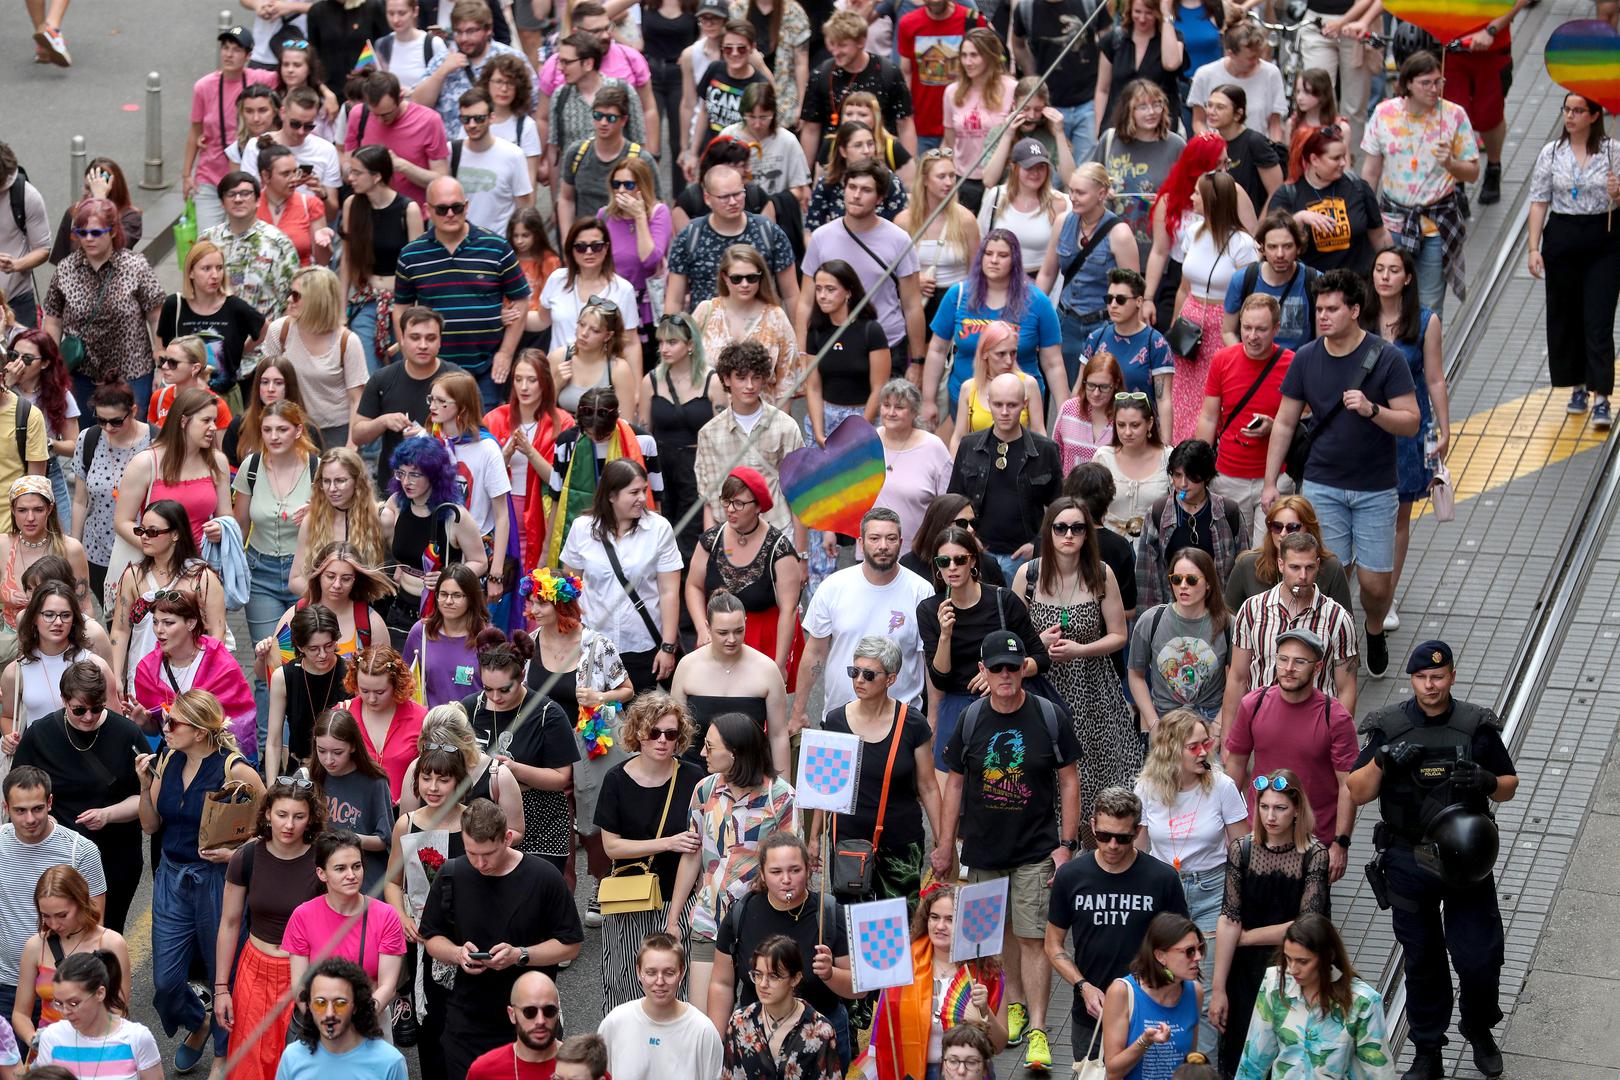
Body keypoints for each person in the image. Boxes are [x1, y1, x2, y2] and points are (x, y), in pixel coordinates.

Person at [1347, 640, 1517, 1080]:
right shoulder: (1389, 725)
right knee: (1422, 960)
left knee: (1480, 956)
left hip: (1466, 862)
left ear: (1452, 677)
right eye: (1423, 677)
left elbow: (1508, 785)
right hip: (1408, 859)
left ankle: (1478, 1029)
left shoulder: (1474, 725)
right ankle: (1428, 1051)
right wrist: (1384, 760)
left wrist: (1484, 778)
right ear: (1412, 680)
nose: (1431, 685)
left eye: (1438, 677)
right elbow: (1358, 791)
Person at [931, 628, 1080, 1071]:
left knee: (1034, 937)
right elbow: (954, 781)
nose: (1005, 675)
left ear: (1023, 670)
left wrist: (1067, 845)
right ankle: (1011, 1006)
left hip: (1036, 847)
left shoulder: (1049, 716)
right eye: (996, 668)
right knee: (993, 939)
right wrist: (945, 844)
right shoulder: (972, 719)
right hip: (982, 851)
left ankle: (1037, 1028)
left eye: (1013, 667)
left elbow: (1069, 779)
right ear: (983, 671)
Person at [1261, 268, 1421, 678]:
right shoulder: (1307, 358)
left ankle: (1373, 627)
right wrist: (1269, 483)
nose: (1324, 316)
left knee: (1374, 585)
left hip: (1374, 488)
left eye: (1333, 308)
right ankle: (1328, 645)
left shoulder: (1387, 359)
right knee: (1326, 573)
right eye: (1319, 308)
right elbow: (1284, 422)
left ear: (1354, 309)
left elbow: (1411, 421)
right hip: (1321, 484)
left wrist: (1372, 409)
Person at [134, 691, 263, 1074]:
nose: (165, 728)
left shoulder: (234, 770)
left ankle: (223, 1053)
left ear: (202, 730)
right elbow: (150, 824)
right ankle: (199, 1021)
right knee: (166, 980)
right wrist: (144, 785)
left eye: (173, 723)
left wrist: (235, 855)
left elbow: (272, 827)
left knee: (225, 973)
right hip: (173, 877)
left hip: (218, 881)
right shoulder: (169, 758)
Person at [419, 798, 586, 1077]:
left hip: (531, 1019)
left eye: (489, 853)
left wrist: (520, 955)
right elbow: (432, 937)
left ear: (508, 838)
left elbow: (570, 944)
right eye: (472, 853)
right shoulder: (451, 873)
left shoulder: (543, 877)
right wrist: (457, 953)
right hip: (467, 1021)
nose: (480, 863)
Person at [664, 712, 796, 1018]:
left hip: (762, 923)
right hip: (709, 919)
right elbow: (692, 854)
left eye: (710, 747)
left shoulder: (781, 799)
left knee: (761, 1020)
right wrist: (674, 918)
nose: (701, 753)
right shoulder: (705, 790)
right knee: (704, 1023)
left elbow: (792, 868)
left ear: (734, 753)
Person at [1014, 497, 1134, 829]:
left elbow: (1119, 635)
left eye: (1077, 528)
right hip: (1041, 686)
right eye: (1061, 527)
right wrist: (1039, 643)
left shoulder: (1100, 573)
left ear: (1087, 534)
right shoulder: (1029, 574)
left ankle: (1093, 850)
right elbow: (1013, 641)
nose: (1069, 535)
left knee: (1094, 770)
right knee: (1042, 770)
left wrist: (1080, 650)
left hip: (1092, 688)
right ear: (1048, 531)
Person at [1134, 709, 1248, 1047]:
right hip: (1165, 893)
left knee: (1207, 990)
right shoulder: (1146, 788)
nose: (1203, 753)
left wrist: (1238, 901)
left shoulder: (1222, 786)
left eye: (1206, 744)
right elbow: (1138, 852)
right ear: (1171, 751)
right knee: (1161, 983)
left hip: (1211, 890)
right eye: (1193, 747)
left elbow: (1242, 850)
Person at [1046, 786, 1189, 1057]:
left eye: (1122, 838)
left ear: (1137, 832)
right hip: (1091, 1015)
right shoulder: (1072, 876)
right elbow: (1053, 945)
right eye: (1103, 836)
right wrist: (1082, 986)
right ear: (1092, 826)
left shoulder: (1162, 879)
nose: (1112, 845)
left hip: (1149, 1012)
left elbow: (1182, 947)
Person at [1207, 769, 1329, 1074]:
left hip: (1293, 967)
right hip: (1245, 972)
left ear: (1298, 810)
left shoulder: (1314, 855)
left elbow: (1305, 925)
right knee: (1241, 1052)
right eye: (1264, 807)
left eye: (1280, 808)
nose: (1270, 816)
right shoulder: (1242, 850)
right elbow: (1228, 916)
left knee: (1290, 1054)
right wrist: (1218, 988)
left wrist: (1246, 938)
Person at [10, 664, 144, 932]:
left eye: (97, 708)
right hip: (55, 856)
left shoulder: (127, 734)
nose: (88, 717)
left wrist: (108, 814)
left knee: (102, 934)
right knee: (53, 933)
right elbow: (17, 787)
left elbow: (147, 799)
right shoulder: (40, 734)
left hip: (114, 855)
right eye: (79, 710)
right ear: (64, 701)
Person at [592, 692, 705, 1009]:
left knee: (679, 991)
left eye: (670, 733)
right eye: (653, 732)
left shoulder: (694, 778)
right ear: (637, 734)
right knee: (625, 990)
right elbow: (611, 846)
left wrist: (676, 914)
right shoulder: (616, 780)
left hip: (677, 899)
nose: (662, 740)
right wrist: (668, 842)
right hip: (629, 901)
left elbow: (700, 847)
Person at [811, 635, 942, 900]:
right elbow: (824, 788)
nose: (859, 680)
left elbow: (928, 786)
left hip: (900, 842)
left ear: (890, 679)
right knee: (850, 924)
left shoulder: (912, 724)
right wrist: (814, 837)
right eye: (854, 672)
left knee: (899, 926)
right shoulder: (836, 721)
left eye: (869, 674)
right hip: (849, 843)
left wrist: (943, 841)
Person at [711, 834, 855, 1067]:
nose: (786, 879)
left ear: (808, 870)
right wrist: (718, 1041)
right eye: (776, 872)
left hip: (821, 1036)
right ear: (763, 874)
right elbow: (722, 983)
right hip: (755, 1037)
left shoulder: (830, 913)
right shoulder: (742, 913)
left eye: (795, 870)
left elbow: (858, 990)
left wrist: (830, 974)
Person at [214, 777, 324, 1080]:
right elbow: (229, 923)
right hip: (254, 972)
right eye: (281, 814)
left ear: (311, 818)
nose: (289, 824)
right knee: (249, 1066)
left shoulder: (322, 860)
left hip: (303, 971)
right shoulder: (246, 856)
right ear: (267, 814)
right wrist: (221, 988)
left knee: (299, 1065)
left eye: (299, 816)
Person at [1362, 247, 1448, 629]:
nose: (1384, 276)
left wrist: (1444, 429)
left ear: (1408, 278)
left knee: (1399, 517)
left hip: (1406, 432)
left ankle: (1388, 594)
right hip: (1362, 428)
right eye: (1379, 269)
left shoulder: (1425, 321)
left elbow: (1434, 378)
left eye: (1393, 270)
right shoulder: (1358, 316)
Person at [790, 507, 934, 731]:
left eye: (891, 538)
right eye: (875, 538)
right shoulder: (833, 587)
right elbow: (815, 652)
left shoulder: (921, 591)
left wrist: (932, 721)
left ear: (901, 541)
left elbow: (928, 662)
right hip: (839, 721)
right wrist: (798, 712)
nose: (883, 546)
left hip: (900, 724)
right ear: (860, 542)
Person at [918, 525, 1048, 771]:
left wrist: (1002, 674)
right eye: (944, 561)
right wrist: (945, 634)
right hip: (956, 707)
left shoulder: (1003, 600)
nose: (952, 567)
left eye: (960, 559)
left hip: (1002, 704)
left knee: (1002, 786)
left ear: (973, 561)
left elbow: (1041, 658)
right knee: (952, 795)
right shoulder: (929, 610)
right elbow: (940, 679)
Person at [393, 175, 530, 407]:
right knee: (434, 439)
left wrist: (506, 353)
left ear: (466, 206)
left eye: (456, 207)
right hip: (433, 369)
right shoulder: (411, 255)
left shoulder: (496, 247)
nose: (450, 214)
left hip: (487, 367)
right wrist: (409, 352)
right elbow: (401, 309)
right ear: (428, 210)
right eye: (442, 209)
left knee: (484, 436)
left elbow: (521, 299)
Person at [1359, 52, 1478, 317]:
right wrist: (1370, 219)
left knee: (1430, 304)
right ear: (1408, 84)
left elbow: (1472, 172)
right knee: (1388, 298)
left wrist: (1451, 164)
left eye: (1439, 82)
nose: (1434, 89)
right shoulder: (1384, 113)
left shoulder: (1454, 115)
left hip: (1436, 223)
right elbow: (1371, 171)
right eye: (1426, 83)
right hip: (1392, 222)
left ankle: (1426, 356)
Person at [1528, 93, 1620, 429]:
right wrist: (1533, 247)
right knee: (1566, 316)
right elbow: (1539, 201)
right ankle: (1578, 385)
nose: (1570, 116)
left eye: (1578, 111)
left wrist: (1617, 192)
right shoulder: (1551, 153)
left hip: (1604, 240)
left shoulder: (1613, 151)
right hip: (1563, 237)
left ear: (1594, 116)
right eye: (1566, 109)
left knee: (1598, 319)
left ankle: (1602, 397)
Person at [856, 882, 1008, 1080]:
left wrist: (986, 1011)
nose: (940, 926)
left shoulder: (987, 972)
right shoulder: (902, 963)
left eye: (950, 919)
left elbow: (999, 1045)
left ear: (965, 922)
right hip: (910, 1073)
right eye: (934, 917)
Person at [232, 401, 321, 719]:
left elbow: (336, 521)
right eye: (267, 430)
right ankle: (267, 751)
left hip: (307, 574)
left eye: (282, 429)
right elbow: (240, 522)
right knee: (270, 658)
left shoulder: (316, 467)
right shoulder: (252, 467)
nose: (273, 436)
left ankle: (305, 741)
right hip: (262, 573)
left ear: (298, 430)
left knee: (309, 658)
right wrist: (232, 567)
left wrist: (317, 513)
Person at [560, 459, 681, 691]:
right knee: (594, 722)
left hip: (642, 646)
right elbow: (570, 589)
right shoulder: (582, 529)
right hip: (592, 646)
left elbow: (669, 592)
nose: (642, 499)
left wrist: (667, 647)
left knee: (639, 722)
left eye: (644, 490)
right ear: (611, 495)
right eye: (634, 492)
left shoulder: (659, 529)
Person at [0, 766, 107, 1026]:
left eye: (37, 808)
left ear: (50, 802)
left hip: (61, 986)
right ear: (6, 807)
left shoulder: (80, 852)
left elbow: (96, 923)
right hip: (5, 983)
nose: (29, 819)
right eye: (20, 811)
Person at [41, 199, 164, 419]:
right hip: (82, 374)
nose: (88, 239)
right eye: (82, 232)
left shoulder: (135, 265)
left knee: (131, 438)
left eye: (96, 232)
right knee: (88, 440)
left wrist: (161, 360)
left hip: (132, 371)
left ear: (113, 231)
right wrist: (53, 363)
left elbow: (157, 316)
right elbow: (53, 319)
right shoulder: (66, 268)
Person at [1221, 531, 1358, 728]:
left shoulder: (1338, 618)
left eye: (1309, 567)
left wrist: (1338, 738)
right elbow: (1237, 678)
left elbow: (1346, 688)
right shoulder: (1252, 609)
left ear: (1318, 565)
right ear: (1281, 565)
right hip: (1260, 726)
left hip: (1314, 729)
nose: (1303, 576)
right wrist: (1228, 735)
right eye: (1295, 567)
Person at [799, 159, 926, 370]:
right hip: (834, 344)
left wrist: (918, 362)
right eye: (852, 187)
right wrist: (802, 352)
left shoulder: (900, 240)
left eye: (866, 190)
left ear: (880, 198)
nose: (856, 195)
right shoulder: (821, 238)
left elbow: (912, 305)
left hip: (887, 345)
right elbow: (805, 301)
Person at [1233, 915, 1394, 1080]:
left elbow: (1379, 1071)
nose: (1293, 969)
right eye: (1288, 959)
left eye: (1303, 961)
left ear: (1329, 956)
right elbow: (1253, 1059)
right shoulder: (1274, 983)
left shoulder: (1363, 1002)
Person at [1197, 295, 1294, 545]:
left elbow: (1301, 417)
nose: (1252, 336)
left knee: (1270, 556)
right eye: (1247, 327)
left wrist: (1273, 426)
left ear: (1276, 328)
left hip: (1275, 477)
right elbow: (1209, 416)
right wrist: (1199, 468)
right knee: (1231, 555)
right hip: (1228, 476)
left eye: (1261, 329)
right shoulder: (1222, 359)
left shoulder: (1291, 363)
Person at [107, 499, 226, 700]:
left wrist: (208, 679)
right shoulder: (133, 576)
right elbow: (120, 629)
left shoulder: (202, 578)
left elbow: (217, 631)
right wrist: (115, 676)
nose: (144, 537)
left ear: (176, 534)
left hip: (191, 684)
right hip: (142, 683)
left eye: (152, 532)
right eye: (141, 530)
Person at [947, 372, 1062, 580]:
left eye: (1012, 405)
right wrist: (969, 539)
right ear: (989, 403)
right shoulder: (969, 446)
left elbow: (1060, 508)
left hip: (1025, 556)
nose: (1004, 412)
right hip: (978, 552)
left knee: (1020, 612)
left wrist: (1037, 545)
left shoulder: (1045, 450)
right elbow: (953, 502)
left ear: (1024, 404)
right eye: (998, 404)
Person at [283, 829, 408, 1022]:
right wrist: (326, 1023)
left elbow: (387, 987)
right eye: (340, 868)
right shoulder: (303, 916)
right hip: (320, 1022)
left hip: (370, 1018)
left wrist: (355, 1022)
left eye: (356, 866)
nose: (351, 875)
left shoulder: (386, 915)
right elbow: (300, 985)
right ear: (322, 873)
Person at [12, 864, 130, 1056]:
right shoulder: (35, 946)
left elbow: (118, 1009)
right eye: (46, 916)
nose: (54, 925)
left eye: (62, 915)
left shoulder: (111, 943)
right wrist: (34, 1039)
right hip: (49, 1053)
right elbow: (20, 1014)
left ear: (81, 902)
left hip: (97, 1052)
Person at [692, 341, 804, 542]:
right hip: (728, 535)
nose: (750, 385)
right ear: (727, 379)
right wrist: (710, 547)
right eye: (741, 378)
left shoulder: (786, 427)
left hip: (777, 530)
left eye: (756, 377)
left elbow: (800, 493)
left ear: (764, 379)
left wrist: (802, 553)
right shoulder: (709, 434)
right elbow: (708, 499)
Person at [129, 590, 258, 761]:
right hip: (173, 760)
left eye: (168, 623)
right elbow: (157, 731)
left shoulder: (220, 663)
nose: (159, 630)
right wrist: (144, 723)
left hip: (217, 759)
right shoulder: (146, 670)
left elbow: (239, 722)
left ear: (190, 623)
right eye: (155, 622)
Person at [379, 437, 488, 638]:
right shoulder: (397, 503)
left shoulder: (454, 515)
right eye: (401, 473)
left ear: (434, 476)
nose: (405, 481)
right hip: (400, 608)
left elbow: (480, 562)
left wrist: (449, 576)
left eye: (414, 475)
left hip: (440, 612)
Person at [1041, 164, 1140, 386]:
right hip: (1066, 321)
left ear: (1101, 194)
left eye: (1080, 193)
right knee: (1063, 390)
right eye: (1071, 190)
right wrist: (1034, 313)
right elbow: (1047, 273)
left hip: (1103, 323)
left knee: (1099, 388)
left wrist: (1132, 336)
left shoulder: (1120, 234)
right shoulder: (1062, 222)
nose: (1073, 197)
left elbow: (1132, 291)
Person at [672, 591, 790, 772]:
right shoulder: (688, 666)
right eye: (722, 633)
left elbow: (778, 735)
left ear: (746, 623)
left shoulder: (767, 669)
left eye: (739, 631)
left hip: (751, 773)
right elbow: (676, 732)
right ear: (708, 627)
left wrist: (783, 790)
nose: (732, 640)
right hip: (696, 772)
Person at [545, 385, 662, 568]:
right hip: (584, 534)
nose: (596, 439)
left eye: (604, 435)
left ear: (617, 418)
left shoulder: (643, 442)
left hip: (632, 534)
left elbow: (655, 497)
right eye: (589, 434)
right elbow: (556, 497)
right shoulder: (567, 442)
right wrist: (546, 551)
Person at [639, 314, 725, 558]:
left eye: (672, 342)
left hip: (696, 464)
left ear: (690, 345)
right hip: (660, 465)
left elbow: (721, 433)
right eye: (661, 342)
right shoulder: (651, 381)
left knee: (692, 532)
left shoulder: (713, 381)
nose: (664, 348)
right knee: (661, 527)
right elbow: (643, 433)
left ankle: (689, 588)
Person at [426, 370, 516, 597]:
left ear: (462, 407)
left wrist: (496, 572)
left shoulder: (487, 449)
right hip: (435, 547)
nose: (432, 406)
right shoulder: (427, 442)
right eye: (431, 399)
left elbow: (502, 515)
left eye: (441, 401)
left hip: (474, 554)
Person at [354, 307, 465, 490]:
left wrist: (429, 436)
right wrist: (383, 421)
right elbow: (358, 435)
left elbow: (476, 432)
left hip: (443, 487)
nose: (423, 345)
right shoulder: (382, 379)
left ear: (440, 342)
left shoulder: (458, 380)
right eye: (415, 337)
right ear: (402, 339)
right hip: (394, 489)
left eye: (430, 338)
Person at [664, 165, 799, 314]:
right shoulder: (689, 236)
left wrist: (798, 336)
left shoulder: (768, 232)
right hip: (707, 331)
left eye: (738, 194)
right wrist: (670, 336)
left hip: (760, 331)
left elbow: (791, 295)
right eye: (724, 197)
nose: (733, 202)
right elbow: (674, 300)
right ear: (707, 198)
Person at [183, 27, 281, 231]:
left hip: (248, 179)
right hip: (210, 177)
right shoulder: (204, 87)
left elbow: (297, 75)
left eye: (236, 50)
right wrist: (186, 175)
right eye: (225, 48)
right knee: (208, 243)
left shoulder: (262, 79)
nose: (229, 54)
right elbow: (194, 131)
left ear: (248, 55)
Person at [257, 267, 369, 446]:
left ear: (317, 301)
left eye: (296, 295)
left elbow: (357, 399)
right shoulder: (279, 331)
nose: (288, 300)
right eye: (289, 292)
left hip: (334, 432)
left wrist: (351, 446)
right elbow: (265, 383)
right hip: (288, 427)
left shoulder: (347, 341)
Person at [340, 146, 427, 371]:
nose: (351, 178)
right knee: (366, 370)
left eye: (357, 173)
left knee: (404, 368)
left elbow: (416, 268)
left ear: (377, 176)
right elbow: (347, 260)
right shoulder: (353, 205)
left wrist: (416, 313)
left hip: (400, 302)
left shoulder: (408, 209)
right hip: (366, 300)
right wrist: (341, 312)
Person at [484, 349, 570, 572]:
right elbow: (483, 476)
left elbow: (559, 481)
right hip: (502, 507)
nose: (524, 387)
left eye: (532, 380)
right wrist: (505, 455)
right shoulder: (494, 419)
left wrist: (530, 452)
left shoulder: (563, 423)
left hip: (541, 513)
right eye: (518, 379)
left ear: (545, 383)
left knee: (533, 578)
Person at [196, 172, 300, 356]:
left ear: (258, 200)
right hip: (215, 351)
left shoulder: (278, 242)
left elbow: (292, 299)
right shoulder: (207, 239)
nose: (238, 199)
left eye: (245, 194)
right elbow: (194, 292)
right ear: (222, 202)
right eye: (231, 194)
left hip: (264, 353)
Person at [798, 10, 917, 168]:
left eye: (842, 45)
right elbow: (811, 129)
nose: (835, 51)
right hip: (835, 164)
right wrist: (805, 176)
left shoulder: (888, 72)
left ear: (861, 41)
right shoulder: (820, 75)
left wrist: (909, 166)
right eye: (832, 44)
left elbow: (904, 124)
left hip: (880, 164)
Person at [1129, 547, 1231, 729]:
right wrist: (1153, 723)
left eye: (1191, 580)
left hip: (1210, 720)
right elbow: (1136, 674)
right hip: (1166, 721)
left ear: (1208, 583)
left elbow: (1238, 680)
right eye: (1176, 580)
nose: (1183, 586)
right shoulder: (1150, 620)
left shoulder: (1227, 624)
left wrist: (1218, 727)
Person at [1264, 127, 1384, 281]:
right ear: (1314, 159)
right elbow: (1273, 242)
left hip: (1357, 286)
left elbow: (1379, 237)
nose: (1343, 163)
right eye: (1335, 158)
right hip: (1311, 287)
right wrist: (1299, 218)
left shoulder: (1358, 188)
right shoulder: (1288, 194)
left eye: (1344, 156)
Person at [1133, 439, 1242, 607]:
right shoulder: (1158, 512)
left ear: (1206, 476)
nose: (1183, 483)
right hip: (1172, 611)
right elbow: (1145, 577)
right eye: (1177, 475)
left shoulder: (1227, 512)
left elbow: (1242, 570)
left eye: (1191, 476)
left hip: (1217, 610)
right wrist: (1151, 623)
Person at [599, 933, 725, 1078]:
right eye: (651, 972)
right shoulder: (615, 1022)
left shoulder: (703, 1030)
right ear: (638, 972)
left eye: (669, 973)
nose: (659, 981)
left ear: (682, 972)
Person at [1090, 80, 1188, 263]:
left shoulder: (1176, 145)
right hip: (1111, 245)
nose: (1151, 112)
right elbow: (1089, 181)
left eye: (1156, 104)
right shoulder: (1110, 140)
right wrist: (1101, 191)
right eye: (1142, 106)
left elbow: (1191, 196)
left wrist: (1168, 199)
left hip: (1158, 252)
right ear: (1128, 110)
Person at [411, 0, 538, 140]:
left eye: (471, 31)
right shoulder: (442, 61)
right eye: (458, 32)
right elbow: (418, 105)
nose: (464, 38)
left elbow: (534, 106)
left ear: (488, 30)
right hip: (455, 154)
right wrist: (442, 72)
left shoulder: (511, 59)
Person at [70, 383, 151, 602]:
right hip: (97, 552)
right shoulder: (88, 439)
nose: (108, 427)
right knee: (113, 621)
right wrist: (74, 547)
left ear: (133, 411)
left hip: (142, 550)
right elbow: (79, 500)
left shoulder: (154, 440)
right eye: (101, 420)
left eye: (116, 421)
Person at [1099, 913, 1205, 1080]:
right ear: (1160, 956)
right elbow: (1113, 1072)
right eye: (1189, 951)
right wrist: (1145, 1041)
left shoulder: (1195, 993)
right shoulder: (1122, 992)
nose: (1198, 957)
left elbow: (1188, 1062)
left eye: (1201, 949)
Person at [0, 581, 111, 740]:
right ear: (34, 618)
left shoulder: (96, 665)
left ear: (74, 620)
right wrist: (11, 738)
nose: (58, 622)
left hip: (85, 756)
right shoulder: (15, 671)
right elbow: (8, 717)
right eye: (49, 614)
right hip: (38, 759)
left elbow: (114, 722)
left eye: (65, 615)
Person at [721, 935, 842, 1080]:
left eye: (773, 976)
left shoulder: (821, 1031)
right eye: (758, 975)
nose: (763, 984)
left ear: (795, 978)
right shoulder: (740, 1021)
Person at [155, 242, 267, 395]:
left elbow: (265, 328)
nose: (215, 275)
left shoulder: (235, 307)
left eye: (219, 268)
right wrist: (162, 370)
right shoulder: (174, 305)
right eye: (206, 268)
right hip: (182, 397)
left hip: (225, 397)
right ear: (191, 272)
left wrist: (240, 350)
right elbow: (160, 348)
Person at [540, 226, 642, 391]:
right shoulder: (557, 279)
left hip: (602, 375)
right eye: (581, 247)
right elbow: (541, 320)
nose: (589, 252)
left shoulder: (623, 289)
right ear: (571, 250)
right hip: (559, 369)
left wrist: (636, 389)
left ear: (607, 247)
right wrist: (508, 315)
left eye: (596, 246)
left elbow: (630, 342)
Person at [694, 246, 802, 402]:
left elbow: (787, 383)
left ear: (761, 277)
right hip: (709, 417)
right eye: (736, 278)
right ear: (725, 277)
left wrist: (778, 424)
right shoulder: (706, 311)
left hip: (763, 417)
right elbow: (683, 365)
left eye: (752, 278)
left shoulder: (776, 316)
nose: (744, 284)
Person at [274, 958, 408, 1080]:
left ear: (356, 1005)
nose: (329, 1013)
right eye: (320, 1003)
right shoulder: (292, 1058)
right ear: (309, 1005)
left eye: (340, 1003)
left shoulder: (390, 1062)